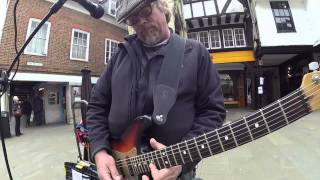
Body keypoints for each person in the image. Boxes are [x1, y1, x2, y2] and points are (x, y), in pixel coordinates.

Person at [87, 0, 226, 179]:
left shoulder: (196, 53)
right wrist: (99, 151)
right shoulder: (119, 56)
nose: (141, 21)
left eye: (145, 11)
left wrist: (182, 161)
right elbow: (97, 106)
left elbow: (213, 113)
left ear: (162, 6)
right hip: (118, 169)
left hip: (173, 173)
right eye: (133, 19)